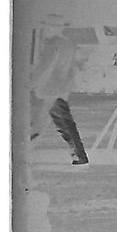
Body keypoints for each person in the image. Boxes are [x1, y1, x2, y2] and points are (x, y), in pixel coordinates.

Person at [31, 30, 88, 165]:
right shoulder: (69, 44)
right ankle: (79, 154)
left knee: (39, 122)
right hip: (62, 87)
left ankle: (25, 148)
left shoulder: (53, 44)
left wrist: (32, 82)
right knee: (62, 121)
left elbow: (46, 67)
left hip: (50, 87)